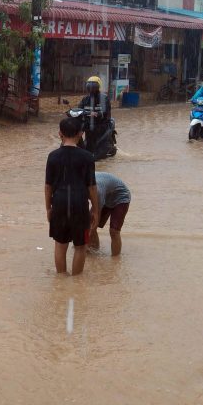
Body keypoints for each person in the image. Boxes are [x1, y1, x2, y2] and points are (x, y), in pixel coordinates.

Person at [45, 117, 99, 276]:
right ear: (80, 134)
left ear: (60, 133)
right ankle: (77, 281)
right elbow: (92, 187)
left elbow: (48, 186)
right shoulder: (88, 157)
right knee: (81, 246)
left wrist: (48, 208)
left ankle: (61, 278)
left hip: (59, 202)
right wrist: (96, 210)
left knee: (60, 245)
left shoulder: (53, 156)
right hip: (79, 204)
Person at [88, 172, 131, 256]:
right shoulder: (77, 188)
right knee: (89, 224)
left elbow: (95, 220)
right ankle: (94, 254)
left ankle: (115, 259)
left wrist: (88, 233)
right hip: (106, 195)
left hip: (121, 197)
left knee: (113, 231)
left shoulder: (97, 192)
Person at [79, 75, 112, 152]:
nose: (91, 88)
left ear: (98, 87)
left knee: (93, 131)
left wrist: (97, 114)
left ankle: (94, 150)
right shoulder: (85, 99)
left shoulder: (104, 98)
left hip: (101, 122)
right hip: (88, 121)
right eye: (89, 86)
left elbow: (106, 111)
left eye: (93, 86)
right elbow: (80, 108)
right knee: (76, 129)